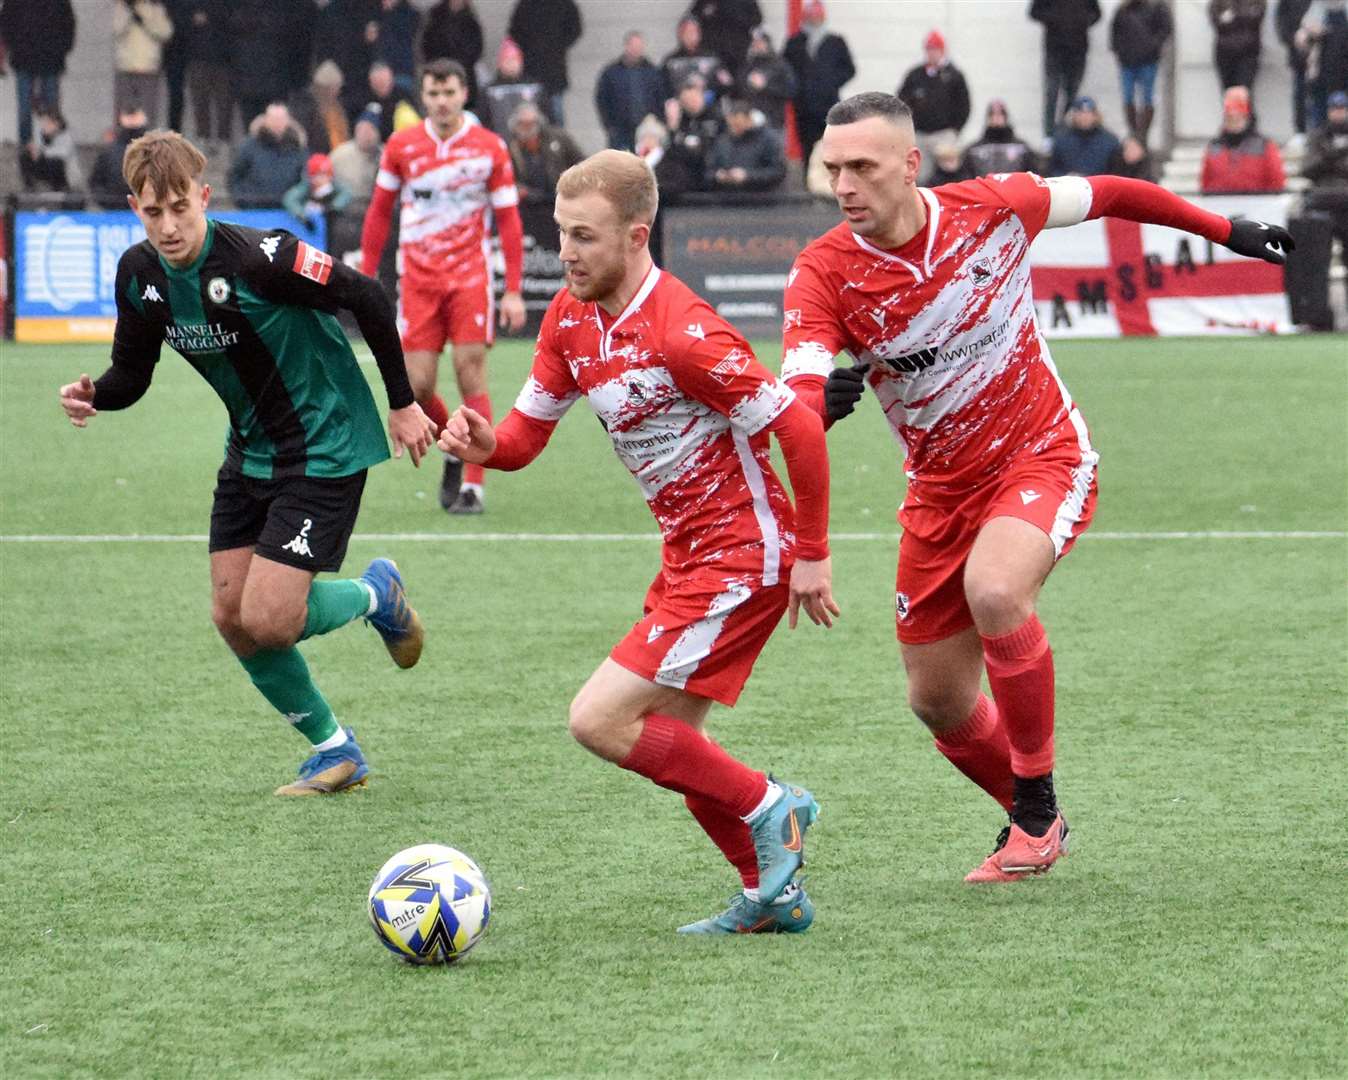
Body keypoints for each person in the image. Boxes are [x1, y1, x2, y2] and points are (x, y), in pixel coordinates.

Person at [779, 91, 1291, 883]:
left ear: (910, 166)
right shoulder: (823, 274)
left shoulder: (994, 208)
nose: (844, 185)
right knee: (937, 700)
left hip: (1041, 453)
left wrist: (1227, 230)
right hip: (939, 493)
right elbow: (795, 404)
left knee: (996, 590)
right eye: (832, 167)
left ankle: (1036, 814)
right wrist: (820, 407)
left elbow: (1112, 190)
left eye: (863, 167)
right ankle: (1033, 818)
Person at [438, 149, 833, 933]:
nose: (566, 253)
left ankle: (774, 805)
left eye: (584, 237)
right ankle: (772, 894)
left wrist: (814, 553)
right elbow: (522, 439)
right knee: (673, 741)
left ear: (636, 236)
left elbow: (797, 424)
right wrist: (483, 444)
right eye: (561, 234)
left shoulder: (683, 333)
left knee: (599, 719)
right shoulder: (571, 320)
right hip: (688, 555)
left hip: (744, 553)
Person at [57, 131, 438, 797]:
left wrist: (402, 404)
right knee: (232, 616)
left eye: (181, 207)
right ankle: (334, 750)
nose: (170, 225)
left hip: (325, 445)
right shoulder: (140, 276)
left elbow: (368, 295)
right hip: (251, 453)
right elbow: (132, 372)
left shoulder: (264, 257)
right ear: (134, 208)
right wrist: (98, 395)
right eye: (154, 212)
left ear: (204, 197)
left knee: (270, 619)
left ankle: (379, 593)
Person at [360, 58, 526, 515]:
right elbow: (379, 211)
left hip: (470, 276)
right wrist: (365, 273)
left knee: (470, 372)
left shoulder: (489, 147)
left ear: (464, 93)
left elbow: (509, 220)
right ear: (424, 98)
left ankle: (473, 484)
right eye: (433, 94)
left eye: (449, 92)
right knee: (415, 386)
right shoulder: (402, 145)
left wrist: (512, 288)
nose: (442, 102)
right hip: (418, 279)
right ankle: (454, 446)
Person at [783, 0, 855, 168]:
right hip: (803, 107)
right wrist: (797, 90)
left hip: (828, 104)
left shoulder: (836, 42)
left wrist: (830, 83)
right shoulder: (795, 43)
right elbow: (786, 70)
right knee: (806, 146)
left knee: (830, 146)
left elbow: (849, 69)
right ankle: (808, 183)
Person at [0, 0, 76, 148]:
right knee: (48, 106)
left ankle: (29, 147)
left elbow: (5, 23)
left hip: (27, 57)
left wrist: (13, 46)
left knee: (27, 107)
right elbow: (68, 22)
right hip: (48, 57)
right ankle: (49, 147)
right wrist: (63, 48)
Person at [897, 30, 970, 182]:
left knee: (948, 175)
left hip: (944, 134)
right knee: (921, 176)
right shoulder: (915, 75)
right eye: (929, 49)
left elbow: (964, 105)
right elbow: (901, 101)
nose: (931, 53)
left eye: (935, 49)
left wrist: (955, 130)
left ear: (942, 51)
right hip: (921, 135)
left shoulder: (954, 76)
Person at [1029, 0, 1102, 141]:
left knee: (1072, 92)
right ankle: (1049, 134)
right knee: (1052, 92)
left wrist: (1083, 21)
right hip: (1054, 49)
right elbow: (1034, 12)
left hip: (1078, 49)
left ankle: (1064, 131)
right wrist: (1053, 19)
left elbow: (1096, 13)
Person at [506, 0, 582, 126]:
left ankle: (557, 143)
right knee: (529, 113)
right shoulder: (525, 5)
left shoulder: (565, 4)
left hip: (554, 70)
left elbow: (575, 29)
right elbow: (515, 31)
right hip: (530, 72)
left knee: (555, 115)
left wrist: (557, 46)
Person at [1200, 85, 1286, 192]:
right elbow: (1205, 183)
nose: (1234, 123)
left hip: (1258, 204)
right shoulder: (1214, 147)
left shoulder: (1265, 146)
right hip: (1219, 204)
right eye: (1230, 118)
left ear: (1247, 118)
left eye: (1238, 118)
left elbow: (1276, 182)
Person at [1110, 0, 1172, 145]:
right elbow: (1115, 32)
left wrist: (1153, 46)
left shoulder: (1157, 7)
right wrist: (1120, 51)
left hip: (1148, 60)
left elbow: (1165, 29)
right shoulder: (1123, 10)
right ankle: (1133, 131)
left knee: (1147, 97)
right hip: (1127, 61)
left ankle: (1143, 134)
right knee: (1128, 97)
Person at [595, 30, 667, 152]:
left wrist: (659, 121)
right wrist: (609, 125)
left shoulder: (653, 72)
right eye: (633, 45)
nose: (636, 49)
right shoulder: (611, 72)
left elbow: (661, 97)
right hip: (620, 131)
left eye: (639, 46)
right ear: (626, 46)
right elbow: (602, 99)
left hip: (647, 131)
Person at [229, 101, 309, 209]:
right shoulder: (249, 147)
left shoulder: (298, 148)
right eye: (273, 119)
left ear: (288, 121)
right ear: (266, 120)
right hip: (254, 209)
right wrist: (240, 198)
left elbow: (305, 179)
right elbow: (235, 175)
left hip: (288, 210)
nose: (277, 123)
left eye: (281, 119)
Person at [657, 73, 725, 198]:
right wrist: (673, 128)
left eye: (694, 99)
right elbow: (672, 150)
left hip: (708, 165)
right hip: (684, 168)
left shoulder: (715, 117)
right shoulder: (680, 121)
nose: (691, 104)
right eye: (686, 101)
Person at [506, 101, 584, 205]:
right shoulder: (509, 147)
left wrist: (571, 180)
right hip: (528, 203)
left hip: (559, 196)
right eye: (522, 124)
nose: (527, 128)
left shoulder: (559, 138)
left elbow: (582, 162)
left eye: (531, 123)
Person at [113, 0, 174, 126]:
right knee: (124, 112)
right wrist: (129, 16)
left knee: (147, 113)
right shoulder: (122, 6)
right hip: (126, 67)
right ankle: (125, 140)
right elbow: (116, 30)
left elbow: (166, 32)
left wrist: (146, 20)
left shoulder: (155, 7)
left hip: (148, 67)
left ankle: (146, 141)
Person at [705, 98, 786, 192]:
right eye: (731, 125)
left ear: (749, 120)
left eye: (738, 125)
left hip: (760, 198)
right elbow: (709, 169)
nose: (734, 129)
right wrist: (718, 175)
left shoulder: (767, 140)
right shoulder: (722, 141)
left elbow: (778, 171)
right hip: (727, 198)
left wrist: (748, 175)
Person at [416, 0, 483, 109]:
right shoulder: (435, 16)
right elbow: (426, 44)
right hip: (438, 72)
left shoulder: (471, 20)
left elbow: (477, 48)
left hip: (464, 73)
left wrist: (462, 64)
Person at [480, 37, 546, 140]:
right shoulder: (489, 90)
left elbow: (545, 114)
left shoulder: (534, 87)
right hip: (500, 140)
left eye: (514, 60)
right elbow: (483, 118)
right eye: (507, 60)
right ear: (499, 63)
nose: (511, 64)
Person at [90, 104, 150, 210]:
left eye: (135, 115)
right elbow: (95, 183)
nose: (132, 119)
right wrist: (108, 202)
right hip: (115, 213)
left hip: (147, 211)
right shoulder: (108, 152)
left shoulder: (155, 150)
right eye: (130, 115)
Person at [661, 14, 733, 102]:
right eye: (686, 32)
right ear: (680, 34)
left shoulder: (712, 59)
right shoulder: (670, 61)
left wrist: (709, 96)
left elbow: (727, 85)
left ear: (699, 34)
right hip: (681, 108)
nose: (690, 36)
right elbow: (662, 88)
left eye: (693, 31)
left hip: (709, 109)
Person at [739, 28, 797, 132]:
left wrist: (766, 86)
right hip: (751, 122)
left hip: (774, 122)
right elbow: (740, 89)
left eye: (760, 42)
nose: (757, 45)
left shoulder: (781, 65)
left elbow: (791, 90)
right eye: (754, 43)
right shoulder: (747, 66)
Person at [1048, 96, 1123, 176]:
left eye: (1088, 113)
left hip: (1099, 186)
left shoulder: (1110, 141)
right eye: (1080, 113)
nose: (1084, 117)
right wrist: (1066, 177)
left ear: (1095, 116)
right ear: (1074, 115)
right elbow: (1052, 168)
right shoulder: (1061, 139)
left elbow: (1116, 171)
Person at [963, 99, 1040, 176]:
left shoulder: (1022, 149)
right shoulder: (974, 150)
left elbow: (1034, 175)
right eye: (992, 114)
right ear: (988, 118)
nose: (996, 118)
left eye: (1000, 114)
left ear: (1006, 117)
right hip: (984, 187)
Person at [290, 60, 351, 156]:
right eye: (334, 88)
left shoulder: (338, 107)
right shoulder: (305, 105)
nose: (337, 91)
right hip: (317, 158)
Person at [20, 103, 81, 194]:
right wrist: (33, 149)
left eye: (47, 123)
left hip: (65, 173)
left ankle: (59, 189)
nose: (43, 125)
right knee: (24, 155)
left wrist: (42, 152)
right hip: (47, 166)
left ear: (56, 123)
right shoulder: (42, 132)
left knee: (55, 162)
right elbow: (37, 146)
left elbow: (62, 154)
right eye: (43, 122)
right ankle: (30, 187)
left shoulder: (67, 135)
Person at [1209, 0, 1267, 95]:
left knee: (1243, 93)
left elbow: (1255, 18)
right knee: (1229, 95)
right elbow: (1216, 19)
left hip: (1248, 51)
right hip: (1225, 51)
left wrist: (1233, 17)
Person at [688, 0, 763, 74]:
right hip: (711, 49)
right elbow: (694, 17)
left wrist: (735, 14)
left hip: (736, 50)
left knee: (736, 79)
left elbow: (756, 19)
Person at [284, 152, 353, 230]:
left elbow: (346, 194)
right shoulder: (305, 188)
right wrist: (302, 215)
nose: (323, 179)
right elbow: (290, 199)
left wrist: (334, 207)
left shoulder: (335, 187)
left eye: (326, 175)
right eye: (319, 175)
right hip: (309, 228)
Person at [330, 111, 383, 200]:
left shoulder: (385, 154)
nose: (365, 134)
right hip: (346, 204)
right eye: (361, 129)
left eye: (371, 129)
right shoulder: (339, 155)